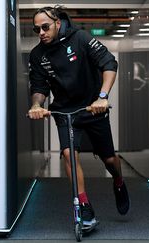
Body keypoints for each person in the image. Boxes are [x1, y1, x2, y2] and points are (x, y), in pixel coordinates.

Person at [27, 5, 130, 232]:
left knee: (109, 159)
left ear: (56, 22)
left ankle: (119, 181)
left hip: (93, 107)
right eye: (36, 30)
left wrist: (102, 97)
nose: (41, 33)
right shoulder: (37, 55)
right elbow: (39, 86)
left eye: (45, 27)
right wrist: (36, 104)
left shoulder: (81, 38)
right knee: (68, 154)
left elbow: (109, 63)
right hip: (65, 111)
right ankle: (84, 206)